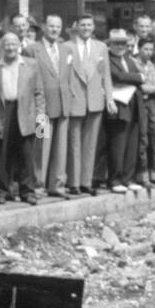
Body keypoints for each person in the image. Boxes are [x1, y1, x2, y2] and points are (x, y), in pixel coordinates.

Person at [0, 31, 47, 205]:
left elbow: (39, 93)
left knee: (27, 155)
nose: (10, 48)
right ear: (0, 47)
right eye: (6, 44)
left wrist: (42, 123)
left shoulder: (32, 64)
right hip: (1, 113)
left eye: (13, 44)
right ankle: (1, 192)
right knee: (1, 155)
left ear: (19, 46)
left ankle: (28, 191)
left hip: (26, 113)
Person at [64, 14, 113, 196]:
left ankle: (86, 181)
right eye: (83, 25)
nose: (86, 28)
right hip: (75, 99)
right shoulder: (67, 47)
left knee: (91, 144)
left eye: (89, 25)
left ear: (93, 27)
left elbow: (105, 74)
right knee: (74, 143)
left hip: (94, 101)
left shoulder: (101, 47)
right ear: (76, 27)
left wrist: (109, 98)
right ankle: (73, 182)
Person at [30, 14, 72, 198]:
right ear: (44, 27)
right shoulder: (33, 49)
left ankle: (57, 184)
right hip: (42, 108)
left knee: (61, 148)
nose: (55, 30)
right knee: (41, 147)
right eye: (51, 26)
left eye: (58, 26)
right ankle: (38, 185)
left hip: (63, 105)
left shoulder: (65, 50)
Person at [105, 29, 143, 192]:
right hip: (119, 104)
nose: (120, 46)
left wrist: (137, 77)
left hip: (134, 104)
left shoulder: (130, 60)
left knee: (132, 143)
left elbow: (138, 76)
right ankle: (115, 179)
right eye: (116, 43)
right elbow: (117, 76)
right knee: (118, 144)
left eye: (123, 43)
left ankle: (128, 177)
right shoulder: (107, 59)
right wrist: (138, 77)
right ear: (110, 44)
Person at [134, 36, 155, 187]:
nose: (148, 52)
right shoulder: (134, 63)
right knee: (143, 140)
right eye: (145, 49)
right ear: (139, 48)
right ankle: (143, 176)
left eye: (150, 49)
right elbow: (143, 87)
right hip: (140, 104)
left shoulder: (151, 64)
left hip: (152, 104)